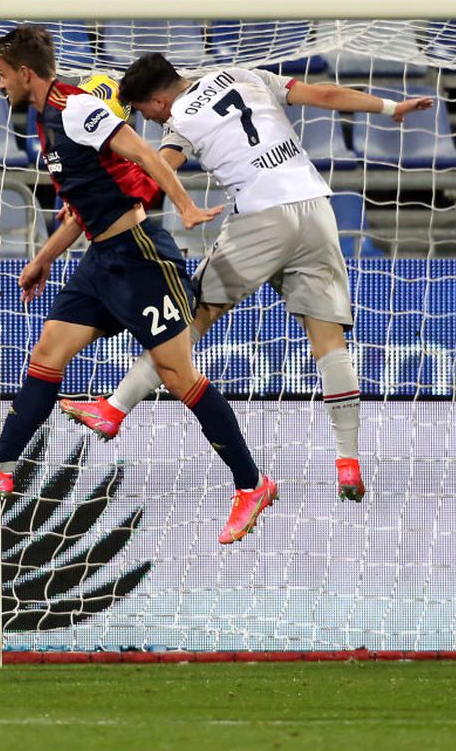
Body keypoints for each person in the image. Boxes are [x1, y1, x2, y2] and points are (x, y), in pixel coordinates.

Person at [0, 27, 277, 547]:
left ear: (25, 73)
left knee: (178, 376)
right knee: (48, 351)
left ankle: (252, 483)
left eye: (2, 75)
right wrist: (43, 260)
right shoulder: (47, 121)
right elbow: (81, 208)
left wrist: (183, 205)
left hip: (140, 258)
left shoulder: (74, 108)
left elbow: (142, 151)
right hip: (101, 261)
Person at [58, 52, 432, 502]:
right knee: (328, 339)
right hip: (316, 208)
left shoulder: (180, 119)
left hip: (260, 216)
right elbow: (326, 94)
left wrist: (91, 198)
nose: (153, 122)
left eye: (147, 113)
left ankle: (114, 409)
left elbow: (154, 171)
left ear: (158, 101)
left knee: (188, 316)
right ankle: (348, 462)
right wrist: (392, 109)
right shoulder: (247, 75)